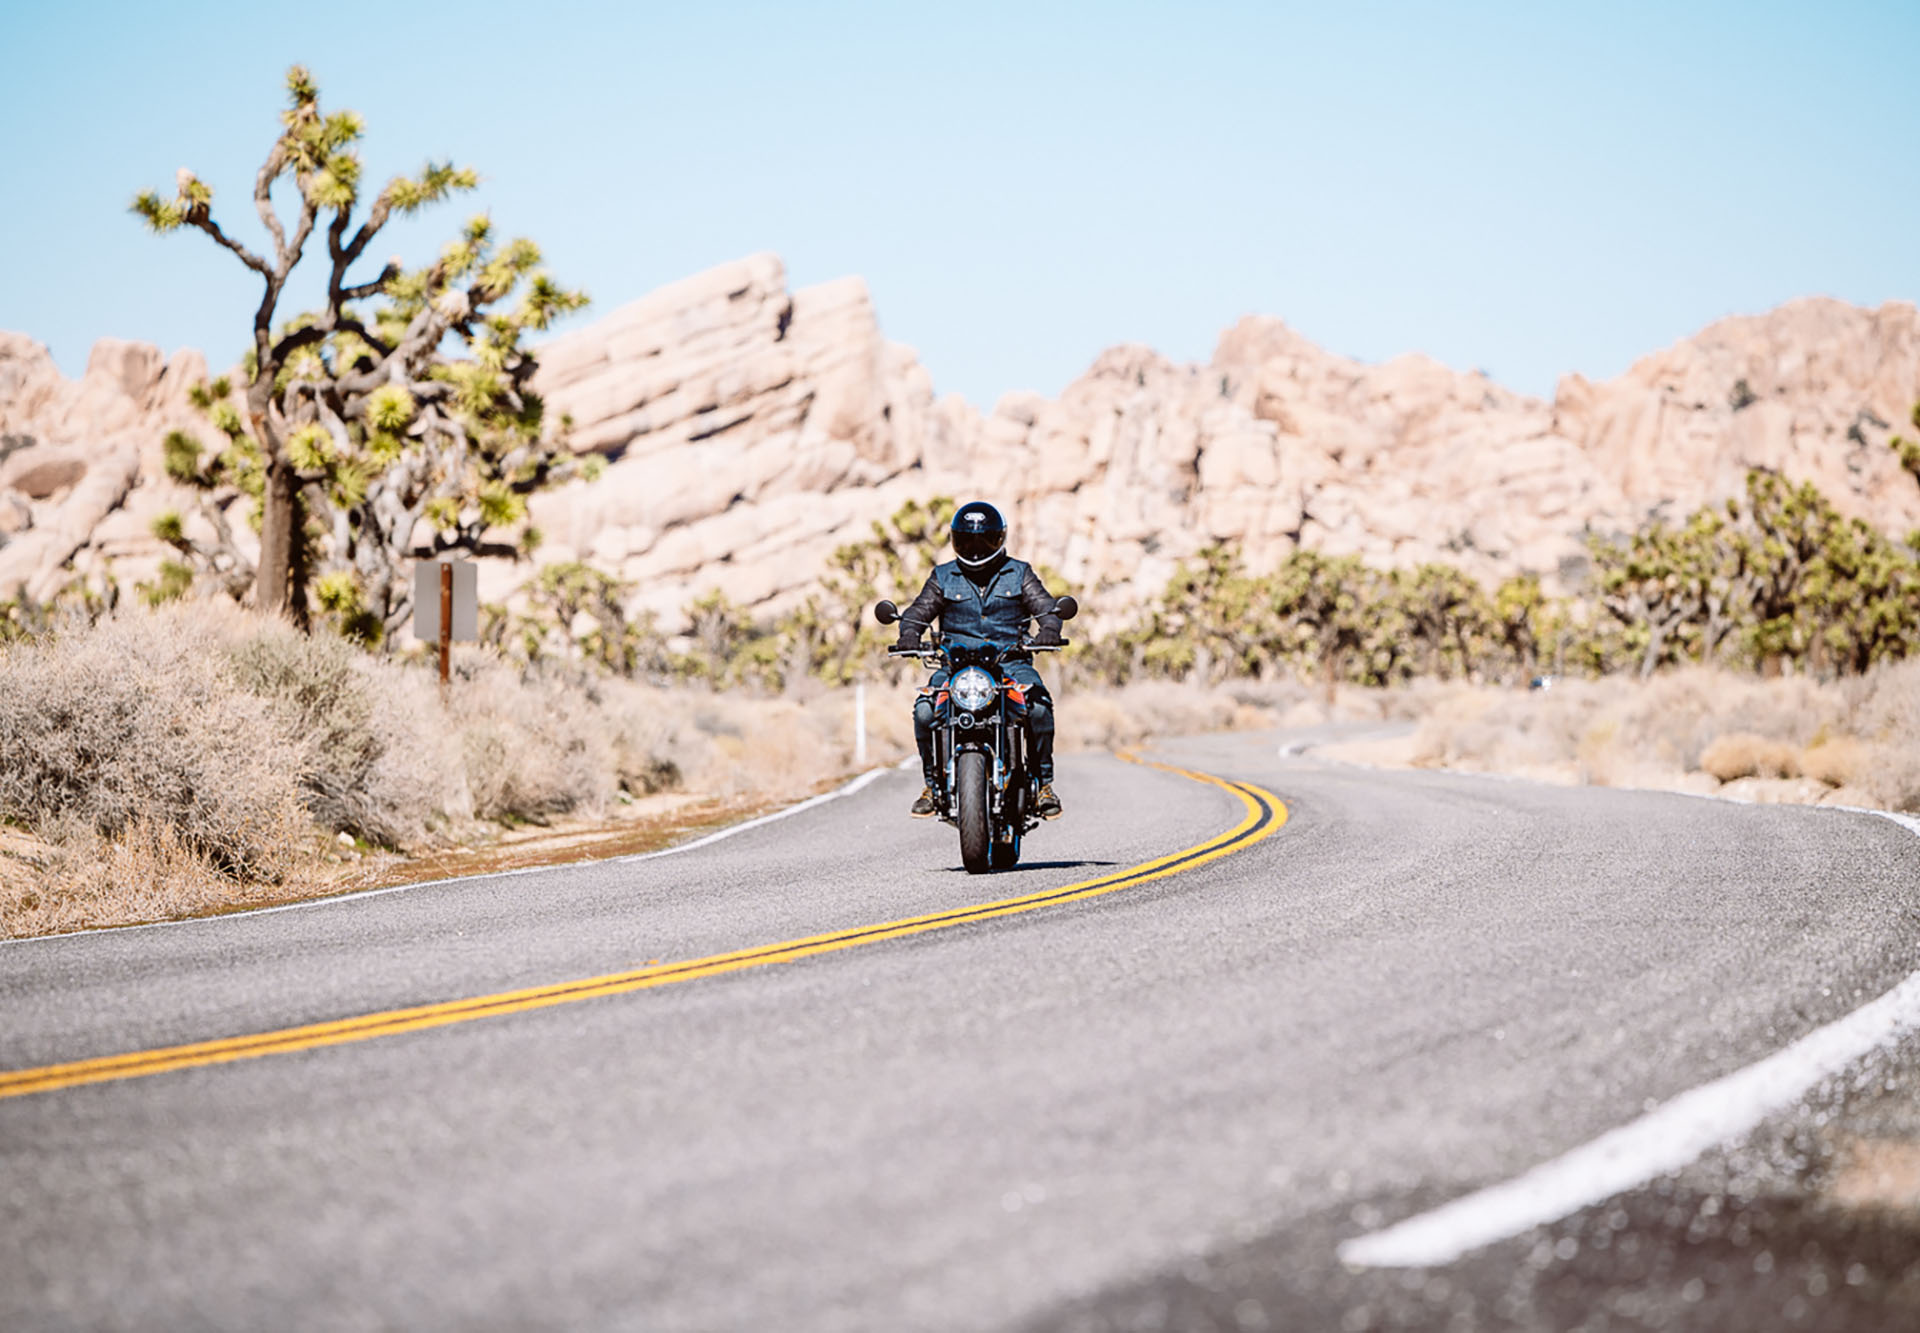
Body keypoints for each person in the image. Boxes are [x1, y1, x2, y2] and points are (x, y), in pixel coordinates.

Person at [893, 500, 1066, 820]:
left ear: (998, 539)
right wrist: (909, 635)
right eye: (968, 540)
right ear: (956, 539)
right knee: (924, 710)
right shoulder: (944, 576)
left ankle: (1044, 784)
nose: (975, 547)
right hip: (954, 667)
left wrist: (1050, 629)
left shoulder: (1019, 573)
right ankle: (931, 785)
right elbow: (919, 611)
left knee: (1039, 706)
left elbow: (1047, 608)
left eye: (983, 539)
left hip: (1010, 664)